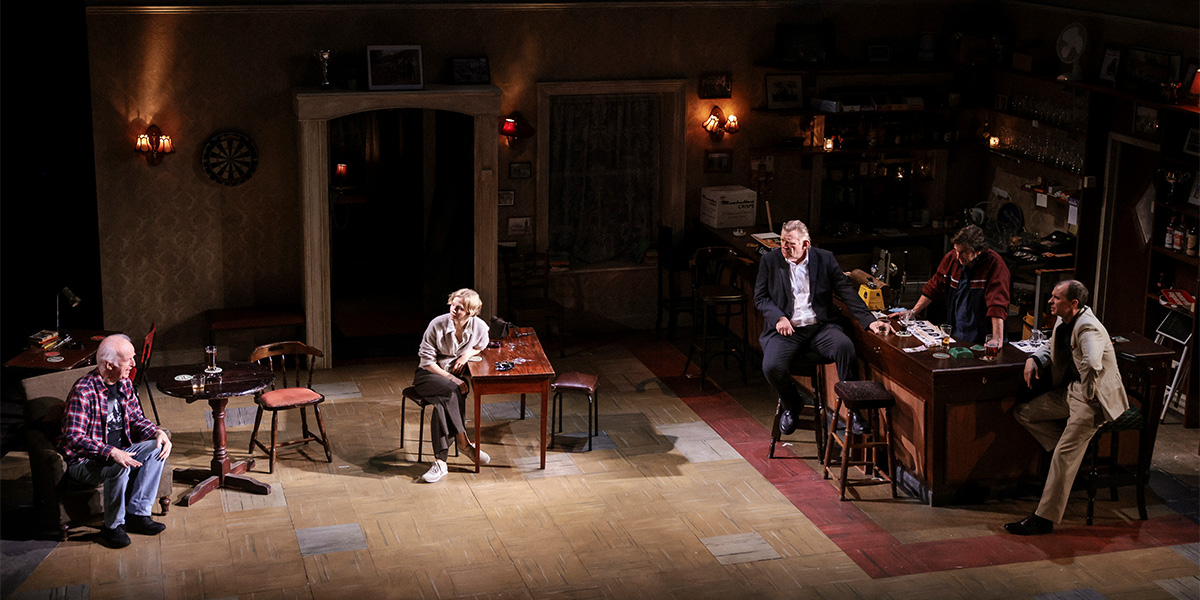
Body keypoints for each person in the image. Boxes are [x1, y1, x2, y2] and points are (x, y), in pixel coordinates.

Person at [1005, 280, 1127, 535]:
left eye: (1056, 297)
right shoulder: (1064, 319)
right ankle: (1074, 452)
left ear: (1073, 303)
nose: (1050, 301)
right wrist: (1034, 359)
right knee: (1024, 412)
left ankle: (1044, 519)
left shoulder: (1089, 328)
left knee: (1062, 456)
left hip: (1091, 401)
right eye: (1051, 296)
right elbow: (1051, 344)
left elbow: (1092, 362)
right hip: (1071, 391)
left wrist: (1090, 393)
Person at [755, 220, 893, 436]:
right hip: (787, 330)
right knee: (771, 367)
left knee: (845, 347)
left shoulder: (824, 259)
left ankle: (854, 411)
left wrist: (870, 321)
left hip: (820, 327)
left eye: (790, 243)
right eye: (782, 241)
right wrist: (779, 317)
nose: (784, 247)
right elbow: (761, 297)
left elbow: (846, 290)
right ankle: (792, 404)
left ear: (806, 244)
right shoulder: (770, 260)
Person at [58, 334, 171, 548]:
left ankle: (138, 515)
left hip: (122, 450)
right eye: (128, 359)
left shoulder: (124, 383)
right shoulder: (83, 391)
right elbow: (74, 438)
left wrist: (157, 433)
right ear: (109, 364)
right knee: (118, 464)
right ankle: (113, 527)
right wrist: (111, 452)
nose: (134, 364)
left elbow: (136, 419)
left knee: (157, 448)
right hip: (86, 462)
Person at [413, 288, 492, 483]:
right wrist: (451, 378)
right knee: (454, 389)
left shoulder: (479, 327)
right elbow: (426, 362)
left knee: (442, 403)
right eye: (452, 305)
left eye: (459, 308)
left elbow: (482, 344)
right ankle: (464, 444)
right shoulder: (437, 324)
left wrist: (466, 355)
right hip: (428, 376)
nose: (453, 310)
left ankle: (440, 462)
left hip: (450, 383)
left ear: (470, 312)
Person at [899, 224, 1010, 345]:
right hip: (956, 329)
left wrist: (996, 338)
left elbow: (997, 304)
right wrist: (912, 313)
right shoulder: (952, 258)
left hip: (983, 333)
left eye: (963, 252)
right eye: (956, 250)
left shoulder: (995, 265)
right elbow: (934, 286)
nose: (958, 256)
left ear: (978, 251)